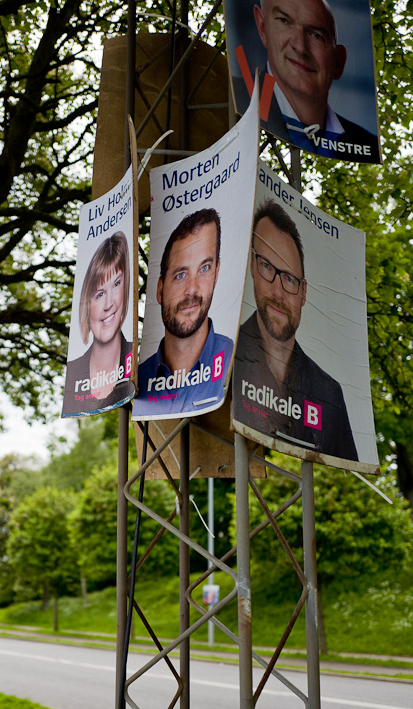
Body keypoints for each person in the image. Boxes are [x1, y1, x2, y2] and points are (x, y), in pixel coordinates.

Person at [233, 198, 358, 461]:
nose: (278, 292)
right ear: (252, 268)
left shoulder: (330, 394)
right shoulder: (225, 360)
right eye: (266, 266)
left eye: (289, 278)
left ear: (303, 293)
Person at [233, 0, 379, 162]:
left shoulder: (365, 142)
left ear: (338, 62)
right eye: (284, 21)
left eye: (316, 35)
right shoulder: (231, 98)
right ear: (262, 27)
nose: (300, 47)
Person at [134, 208, 233, 416]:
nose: (192, 290)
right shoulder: (140, 380)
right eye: (180, 275)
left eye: (204, 269)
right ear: (160, 290)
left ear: (217, 273)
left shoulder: (236, 360)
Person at [62, 231, 134, 416]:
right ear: (87, 304)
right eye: (99, 294)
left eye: (117, 284)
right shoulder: (74, 374)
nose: (109, 303)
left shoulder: (139, 366)